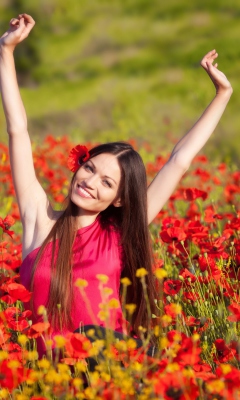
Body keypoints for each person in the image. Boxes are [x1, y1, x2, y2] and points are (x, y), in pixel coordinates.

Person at [0, 14, 233, 357]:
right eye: (90, 168)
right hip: (44, 380)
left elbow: (178, 161)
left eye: (106, 182)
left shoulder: (121, 232)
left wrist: (222, 94)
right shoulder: (40, 222)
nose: (90, 182)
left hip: (109, 373)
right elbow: (17, 131)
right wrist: (6, 51)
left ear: (120, 199)